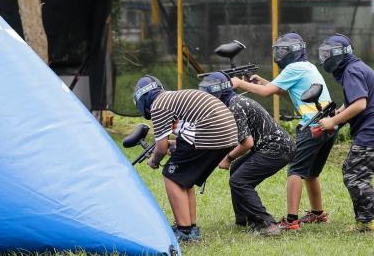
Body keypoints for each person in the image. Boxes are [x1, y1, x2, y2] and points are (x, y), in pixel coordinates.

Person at [231, 32, 334, 230]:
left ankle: (291, 220)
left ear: (293, 51)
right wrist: (263, 82)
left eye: (283, 50)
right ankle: (318, 213)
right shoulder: (307, 66)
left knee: (295, 171)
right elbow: (284, 91)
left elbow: (265, 93)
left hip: (312, 125)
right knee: (311, 173)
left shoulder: (294, 67)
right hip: (328, 124)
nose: (279, 55)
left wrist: (239, 83)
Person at [316, 33, 374, 238]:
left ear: (339, 54)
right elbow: (354, 100)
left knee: (354, 178)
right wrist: (338, 113)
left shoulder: (351, 70)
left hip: (373, 130)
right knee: (352, 170)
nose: (324, 59)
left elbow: (360, 104)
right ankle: (365, 221)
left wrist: (332, 121)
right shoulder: (355, 67)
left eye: (327, 54)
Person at [132, 75, 238, 242]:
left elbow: (160, 147)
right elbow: (181, 140)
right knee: (184, 178)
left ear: (142, 99)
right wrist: (174, 148)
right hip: (228, 134)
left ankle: (184, 231)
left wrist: (154, 161)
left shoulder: (158, 105)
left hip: (211, 130)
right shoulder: (172, 98)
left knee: (171, 175)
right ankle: (191, 227)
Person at [198, 72, 295, 236]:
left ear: (219, 91)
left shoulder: (234, 106)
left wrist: (228, 158)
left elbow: (247, 143)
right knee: (237, 169)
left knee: (239, 181)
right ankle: (244, 219)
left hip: (277, 148)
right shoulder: (231, 102)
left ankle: (266, 224)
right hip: (272, 146)